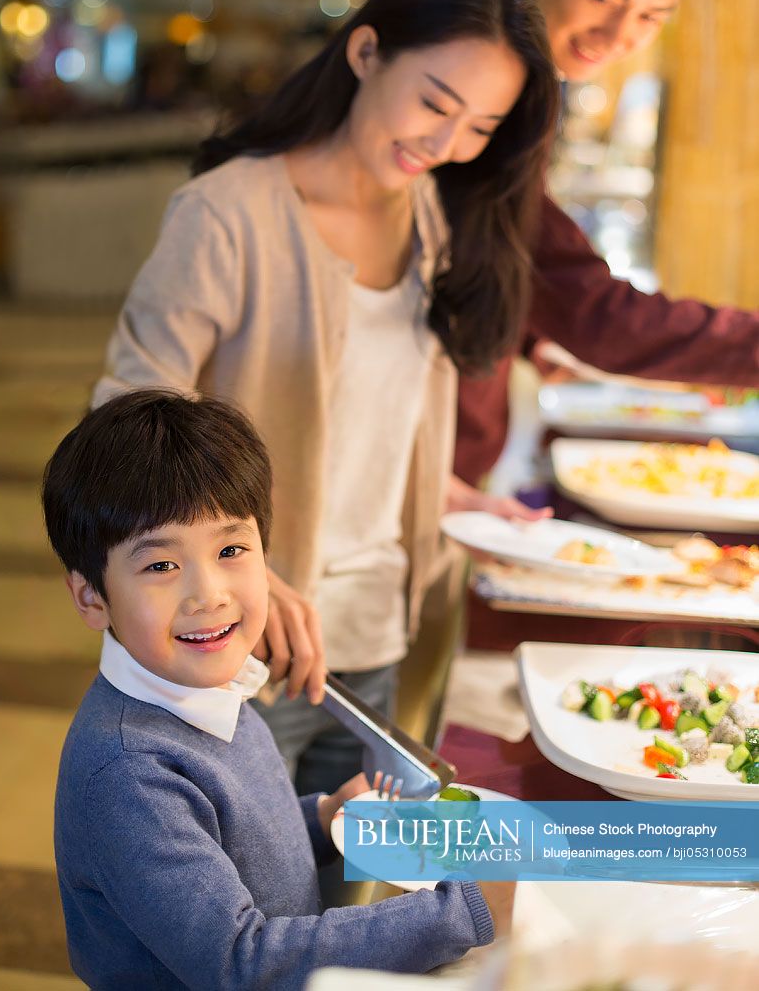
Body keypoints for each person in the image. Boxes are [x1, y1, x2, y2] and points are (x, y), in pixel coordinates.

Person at [92, 0, 559, 791]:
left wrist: (450, 500)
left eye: (481, 127)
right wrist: (250, 575)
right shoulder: (228, 213)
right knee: (245, 907)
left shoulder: (430, 216)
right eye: (434, 102)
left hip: (375, 636)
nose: (448, 143)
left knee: (350, 900)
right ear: (366, 50)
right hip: (241, 645)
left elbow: (362, 423)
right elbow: (125, 417)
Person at [44, 389, 512, 990]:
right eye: (160, 565)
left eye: (231, 549)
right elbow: (244, 960)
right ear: (90, 595)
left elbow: (225, 841)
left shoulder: (208, 687)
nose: (207, 593)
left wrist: (321, 818)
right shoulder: (130, 774)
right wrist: (467, 911)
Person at [455, 0, 759, 486]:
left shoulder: (528, 86)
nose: (620, 35)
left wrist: (531, 335)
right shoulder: (476, 89)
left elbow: (491, 248)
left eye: (650, 17)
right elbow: (593, 312)